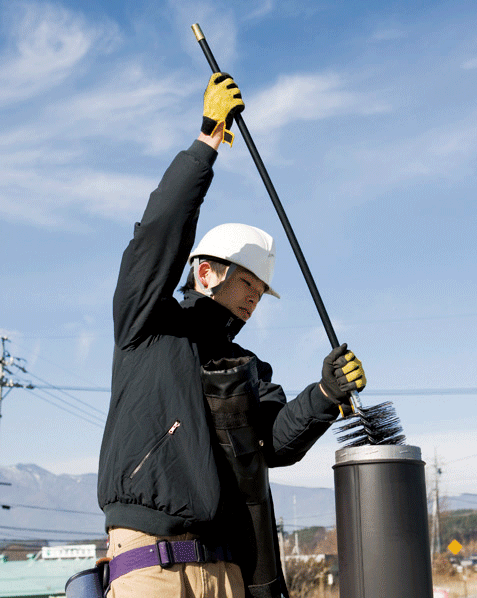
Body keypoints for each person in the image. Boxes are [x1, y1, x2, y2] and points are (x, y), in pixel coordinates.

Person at [97, 73, 366, 598]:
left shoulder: (245, 365)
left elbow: (275, 443)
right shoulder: (147, 324)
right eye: (246, 281)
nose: (252, 298)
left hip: (230, 570)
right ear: (205, 274)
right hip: (151, 567)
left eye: (261, 291)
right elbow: (157, 235)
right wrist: (207, 143)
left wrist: (325, 396)